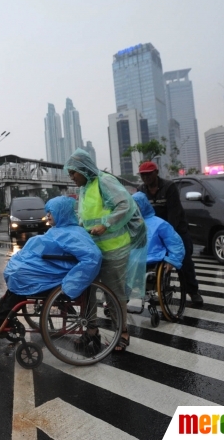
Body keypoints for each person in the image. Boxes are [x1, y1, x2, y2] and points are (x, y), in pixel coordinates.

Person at [0, 196, 102, 337]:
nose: (47, 215)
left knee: (20, 279)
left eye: (51, 212)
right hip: (51, 270)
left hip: (58, 278)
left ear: (62, 213)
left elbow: (92, 257)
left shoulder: (73, 233)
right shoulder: (62, 229)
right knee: (16, 281)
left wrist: (71, 284)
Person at [65, 149, 147, 352]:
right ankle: (91, 331)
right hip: (93, 249)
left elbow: (124, 205)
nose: (72, 178)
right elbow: (85, 216)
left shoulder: (104, 181)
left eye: (73, 173)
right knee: (88, 290)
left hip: (114, 247)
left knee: (113, 293)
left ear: (83, 170)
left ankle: (123, 333)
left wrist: (106, 224)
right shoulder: (85, 188)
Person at [137, 161, 204, 306]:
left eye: (149, 174)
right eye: (143, 175)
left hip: (175, 228)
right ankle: (156, 287)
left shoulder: (169, 187)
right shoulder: (141, 190)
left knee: (184, 259)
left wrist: (168, 234)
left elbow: (174, 213)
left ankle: (193, 291)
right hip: (154, 229)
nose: (146, 178)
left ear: (156, 172)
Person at [133, 192, 185, 270]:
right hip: (131, 261)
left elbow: (174, 242)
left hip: (152, 260)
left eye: (136, 205)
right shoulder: (128, 223)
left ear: (143, 205)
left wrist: (173, 260)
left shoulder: (159, 223)